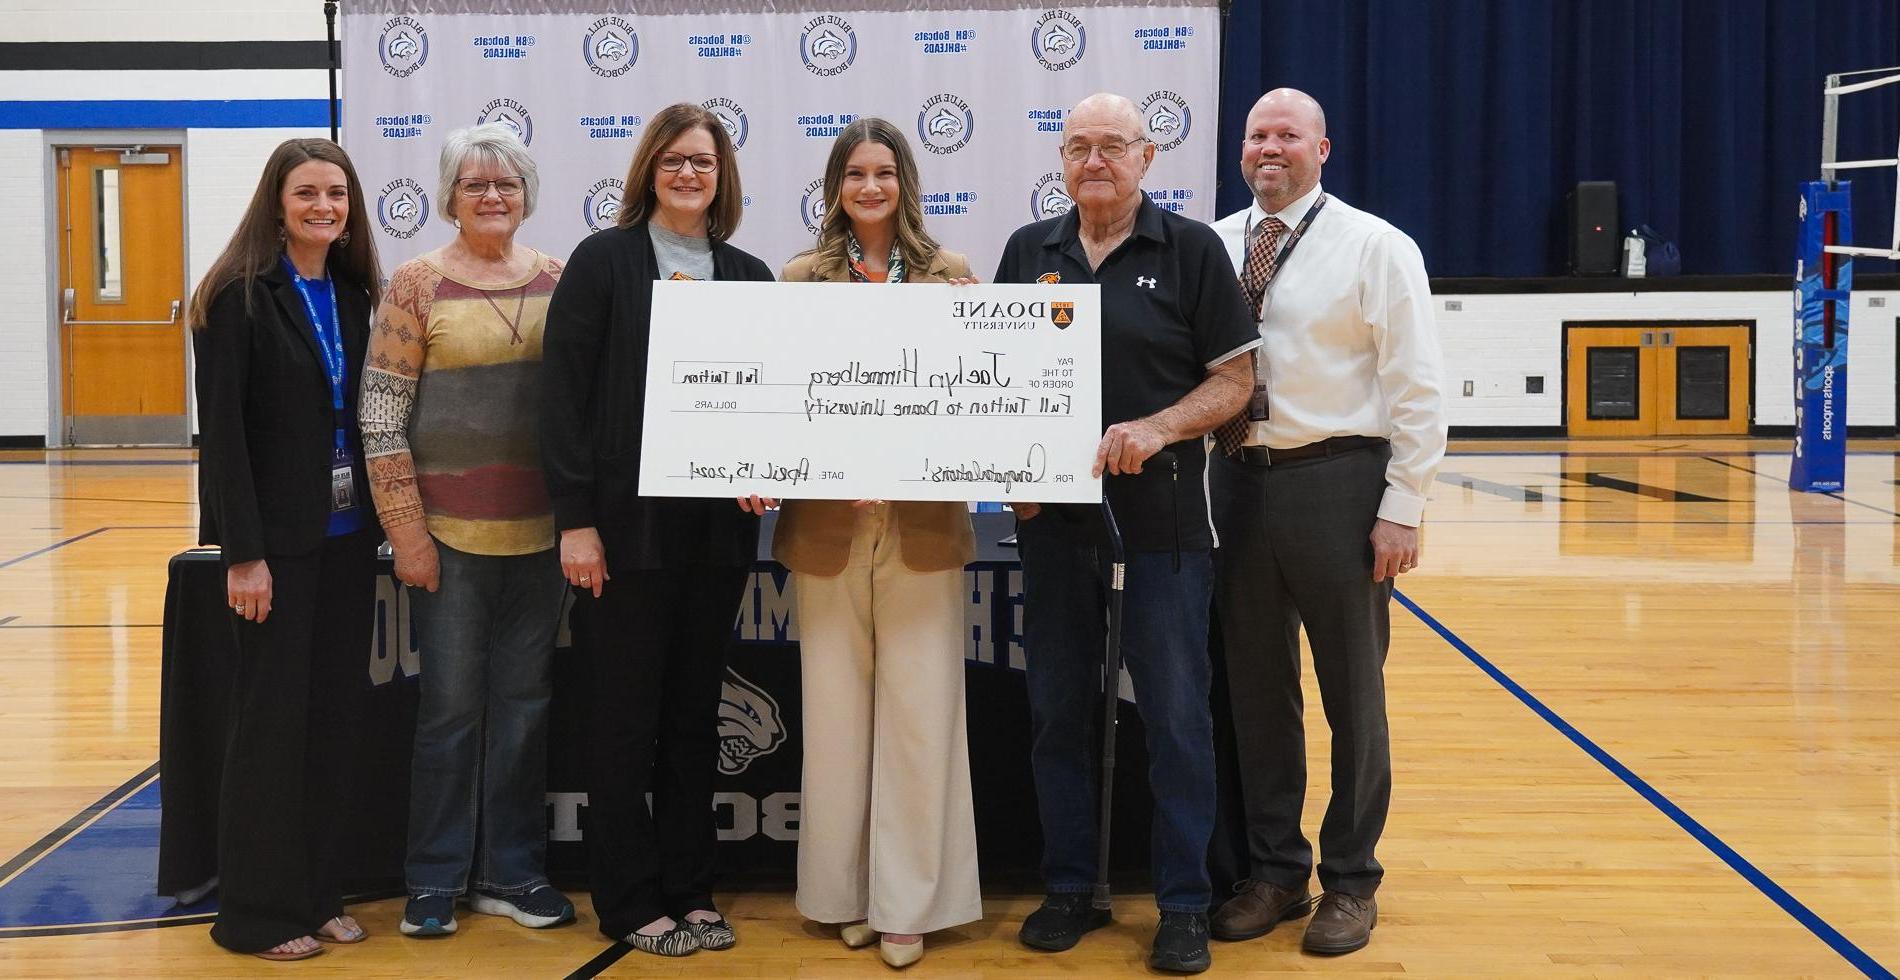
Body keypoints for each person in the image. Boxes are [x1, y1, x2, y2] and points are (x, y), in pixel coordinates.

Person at [994, 93, 1258, 975]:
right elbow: (991, 385)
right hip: (1054, 526)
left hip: (1167, 523)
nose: (1095, 161)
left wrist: (1159, 427)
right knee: (1057, 711)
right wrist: (1009, 478)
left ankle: (1183, 901)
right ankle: (1071, 888)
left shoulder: (1191, 252)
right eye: (1078, 147)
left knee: (1177, 717)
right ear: (1061, 160)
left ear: (1148, 157)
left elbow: (1236, 383)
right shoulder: (1028, 252)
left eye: (1113, 145)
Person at [1205, 88, 1446, 956]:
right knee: (1257, 694)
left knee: (1352, 693)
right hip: (1234, 481)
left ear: (1322, 148)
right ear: (1241, 152)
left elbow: (1418, 384)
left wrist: (1404, 506)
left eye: (1287, 136)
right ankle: (1275, 871)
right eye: (1256, 136)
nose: (1270, 149)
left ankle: (1352, 879)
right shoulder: (1217, 243)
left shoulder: (1376, 246)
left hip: (1338, 481)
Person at [742, 117, 983, 971]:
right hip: (827, 526)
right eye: (855, 173)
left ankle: (909, 904)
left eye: (884, 173)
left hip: (921, 527)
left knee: (921, 718)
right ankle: (846, 895)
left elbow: (980, 403)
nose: (870, 187)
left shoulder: (952, 278)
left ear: (905, 183)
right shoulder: (800, 278)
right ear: (836, 185)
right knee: (836, 719)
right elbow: (770, 398)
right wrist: (753, 461)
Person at [539, 102, 774, 959]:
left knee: (693, 720)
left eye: (703, 163)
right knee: (623, 723)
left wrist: (766, 469)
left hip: (715, 542)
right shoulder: (603, 263)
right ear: (648, 171)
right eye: (673, 161)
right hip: (623, 537)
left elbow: (767, 403)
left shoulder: (749, 275)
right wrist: (577, 523)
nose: (688, 175)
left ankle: (690, 887)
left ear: (723, 176)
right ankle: (630, 900)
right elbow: (561, 404)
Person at [359, 124, 573, 938]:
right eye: (476, 185)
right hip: (448, 540)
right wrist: (406, 531)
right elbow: (381, 418)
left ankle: (512, 873)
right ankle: (435, 879)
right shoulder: (416, 285)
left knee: (523, 709)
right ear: (449, 197)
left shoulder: (560, 278)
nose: (492, 197)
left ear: (527, 196)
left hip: (544, 540)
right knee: (449, 714)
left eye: (507, 184)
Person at [188, 138, 383, 961]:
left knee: (331, 725)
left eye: (337, 194)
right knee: (269, 732)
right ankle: (255, 916)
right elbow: (225, 440)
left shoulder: (349, 291)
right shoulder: (235, 296)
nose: (324, 208)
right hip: (275, 550)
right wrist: (243, 554)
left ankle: (317, 893)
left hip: (343, 544)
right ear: (277, 202)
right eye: (307, 193)